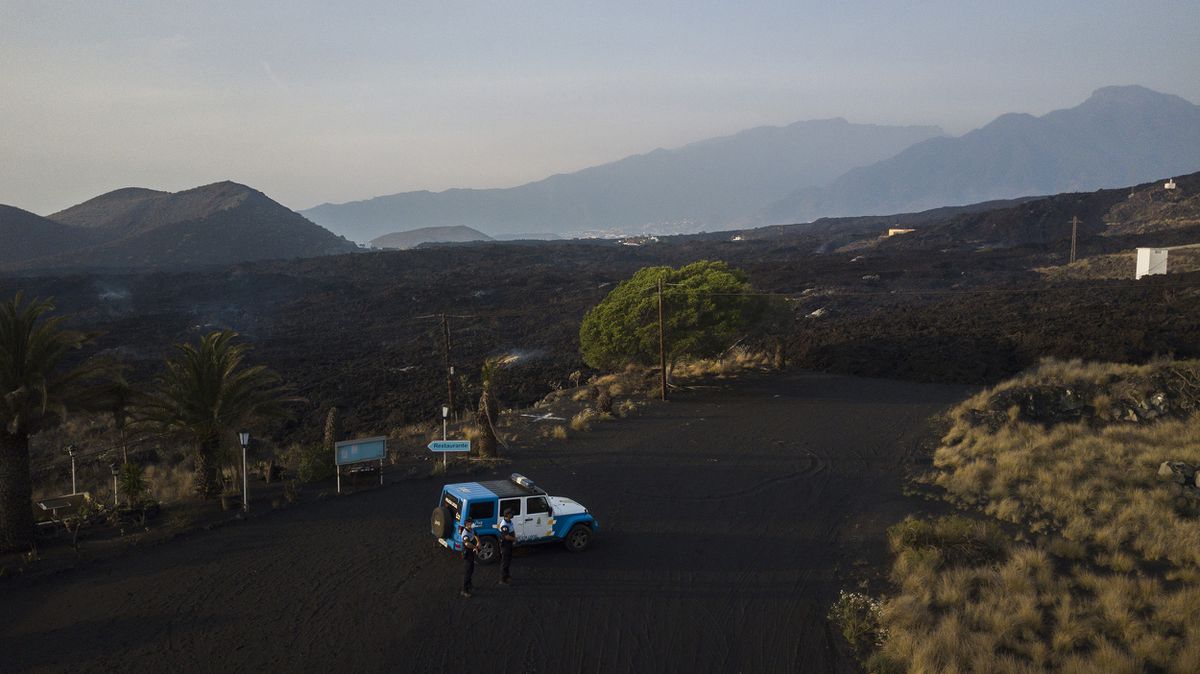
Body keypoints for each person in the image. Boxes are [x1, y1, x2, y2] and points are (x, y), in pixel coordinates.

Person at [460, 520, 478, 598]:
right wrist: (475, 547)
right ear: (467, 524)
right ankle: (464, 590)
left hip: (471, 552)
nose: (473, 524)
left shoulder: (471, 529)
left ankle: (469, 584)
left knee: (471, 569)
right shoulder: (465, 533)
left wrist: (479, 542)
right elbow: (467, 544)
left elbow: (476, 535)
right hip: (467, 553)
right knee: (467, 571)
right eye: (471, 523)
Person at [498, 509, 516, 585]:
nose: (512, 514)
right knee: (505, 562)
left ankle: (507, 575)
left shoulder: (510, 521)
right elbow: (506, 536)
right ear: (507, 515)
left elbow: (512, 531)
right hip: (505, 545)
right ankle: (502, 579)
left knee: (508, 561)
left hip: (509, 544)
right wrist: (514, 539)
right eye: (511, 513)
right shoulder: (504, 524)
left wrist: (514, 539)